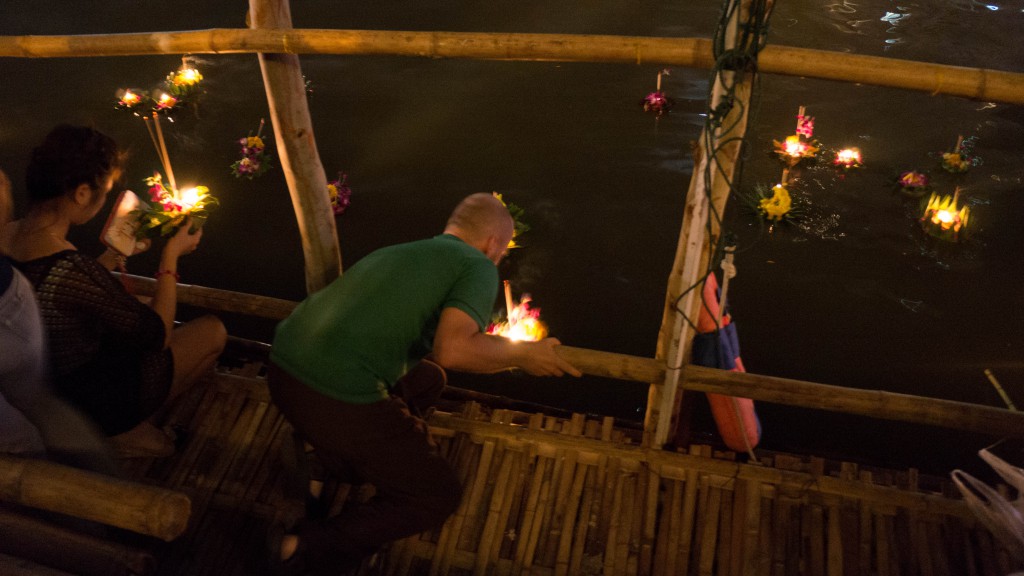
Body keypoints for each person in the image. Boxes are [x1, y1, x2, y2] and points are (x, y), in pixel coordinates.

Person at [267, 192, 582, 575]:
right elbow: (452, 349)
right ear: (494, 244)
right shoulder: (479, 265)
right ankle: (299, 547)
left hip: (283, 366)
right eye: (501, 251)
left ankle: (323, 459)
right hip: (333, 391)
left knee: (429, 379)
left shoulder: (400, 251)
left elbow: (432, 353)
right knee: (435, 494)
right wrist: (523, 355)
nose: (499, 259)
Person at [0, 124, 227, 458]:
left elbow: (56, 289)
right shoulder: (73, 267)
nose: (105, 199)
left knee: (145, 303)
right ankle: (126, 430)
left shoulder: (7, 234)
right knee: (212, 331)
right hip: (90, 396)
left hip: (45, 380)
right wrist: (170, 257)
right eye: (104, 191)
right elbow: (159, 335)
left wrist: (111, 256)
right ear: (80, 194)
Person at [0, 167, 118, 474]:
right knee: (26, 440)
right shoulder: (64, 260)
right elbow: (153, 333)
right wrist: (169, 263)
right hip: (15, 328)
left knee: (39, 409)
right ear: (81, 193)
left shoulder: (14, 234)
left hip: (23, 345)